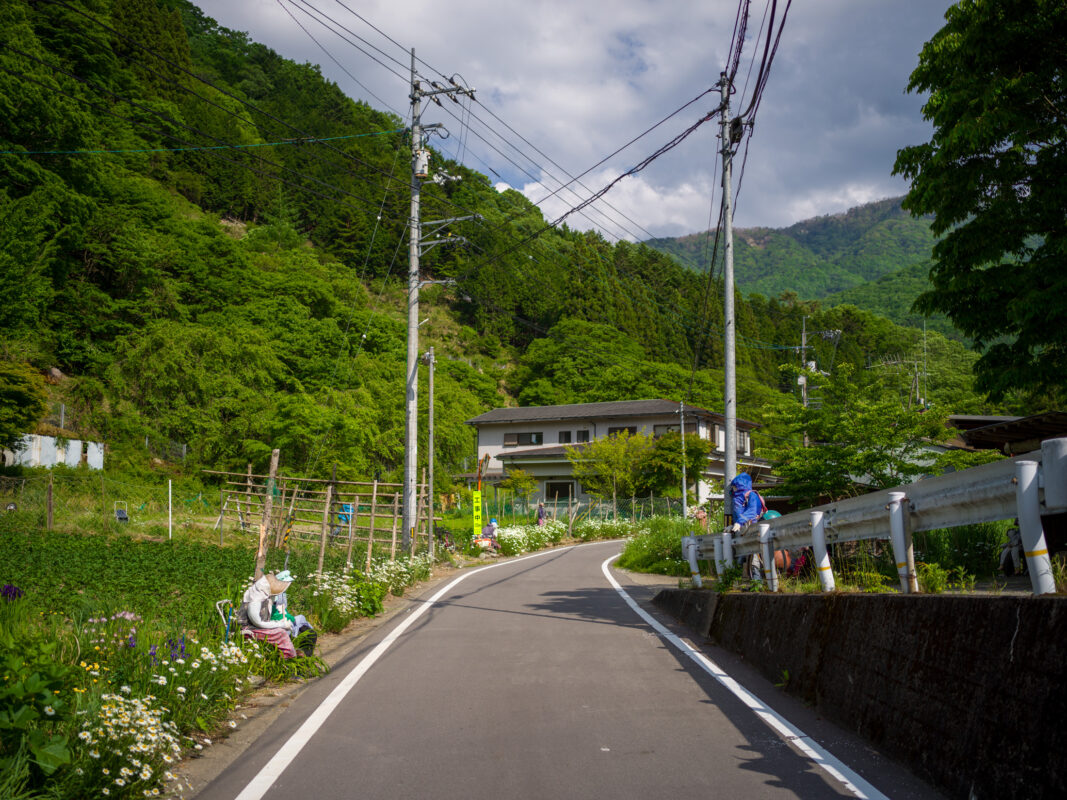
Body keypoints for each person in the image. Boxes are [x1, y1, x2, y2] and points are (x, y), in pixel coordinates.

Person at [236, 570, 298, 659]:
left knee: (283, 629)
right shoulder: (255, 600)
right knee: (281, 633)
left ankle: (284, 655)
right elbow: (258, 622)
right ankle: (287, 658)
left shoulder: (263, 597)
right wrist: (281, 624)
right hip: (250, 628)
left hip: (256, 626)